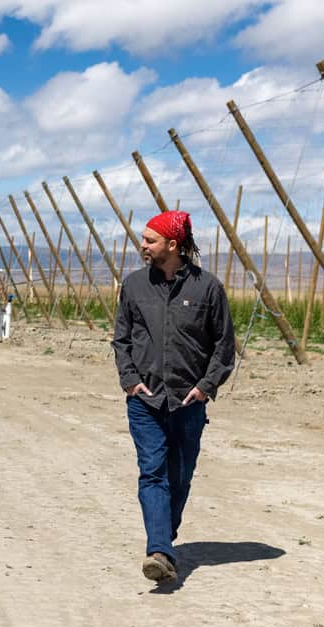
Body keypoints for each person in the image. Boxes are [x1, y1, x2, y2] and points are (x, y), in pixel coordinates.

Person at [112, 211, 234, 584]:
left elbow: (224, 346)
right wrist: (130, 381)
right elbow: (121, 338)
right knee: (152, 474)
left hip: (188, 402)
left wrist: (206, 386)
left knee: (179, 478)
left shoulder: (207, 288)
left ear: (172, 245)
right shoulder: (134, 286)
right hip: (145, 401)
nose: (142, 245)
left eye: (149, 240)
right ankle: (159, 550)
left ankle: (164, 538)